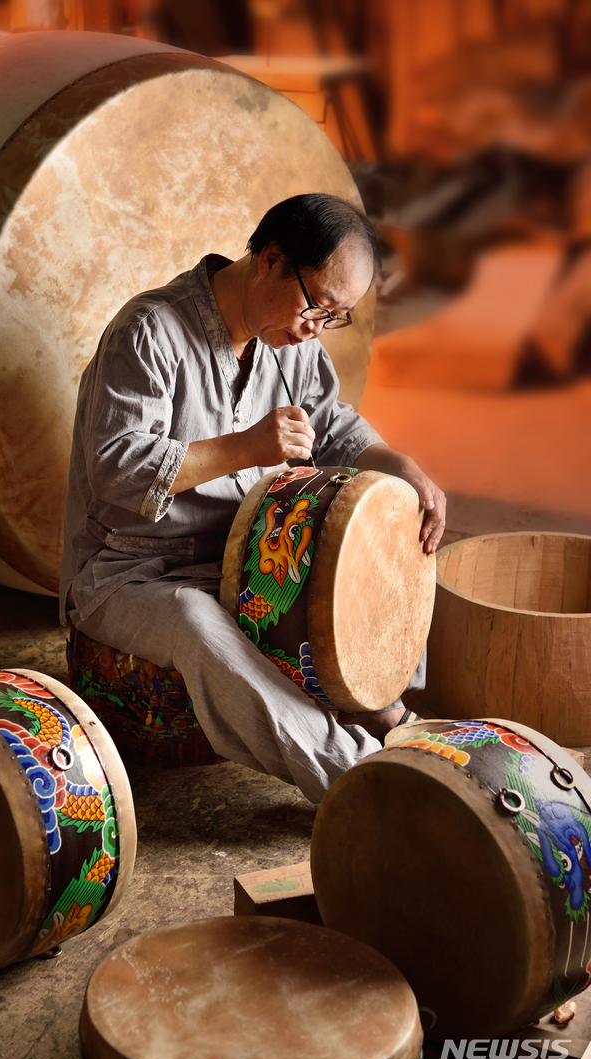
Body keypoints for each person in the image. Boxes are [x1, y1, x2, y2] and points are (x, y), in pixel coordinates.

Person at [60, 193, 446, 804]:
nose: (315, 327)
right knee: (195, 621)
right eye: (317, 305)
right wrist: (244, 447)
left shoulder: (290, 343)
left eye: (335, 316)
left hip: (237, 556)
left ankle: (386, 715)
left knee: (375, 524)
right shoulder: (149, 331)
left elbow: (336, 428)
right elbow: (115, 471)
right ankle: (360, 783)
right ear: (270, 259)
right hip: (127, 571)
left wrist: (402, 469)